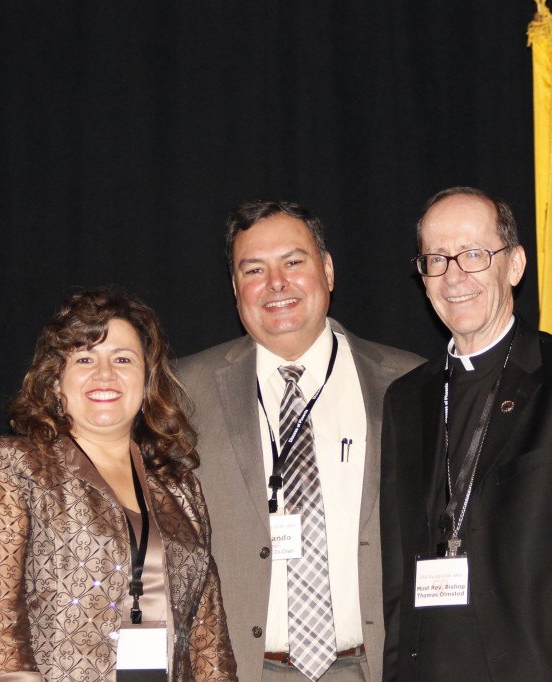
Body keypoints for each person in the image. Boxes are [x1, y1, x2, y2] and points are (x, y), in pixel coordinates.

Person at [380, 187, 552, 681]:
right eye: (436, 258)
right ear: (422, 277)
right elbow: (399, 583)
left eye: (475, 254)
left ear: (515, 265)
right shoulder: (405, 398)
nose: (454, 275)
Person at [177, 200, 423, 681]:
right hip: (243, 670)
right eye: (254, 269)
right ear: (235, 288)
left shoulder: (408, 382)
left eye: (294, 262)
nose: (276, 284)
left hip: (371, 665)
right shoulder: (183, 390)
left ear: (328, 270)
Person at [0, 287, 237, 682]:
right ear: (55, 381)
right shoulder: (14, 466)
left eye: (123, 359)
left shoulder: (181, 490)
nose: (105, 374)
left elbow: (209, 639)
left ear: (147, 378)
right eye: (85, 358)